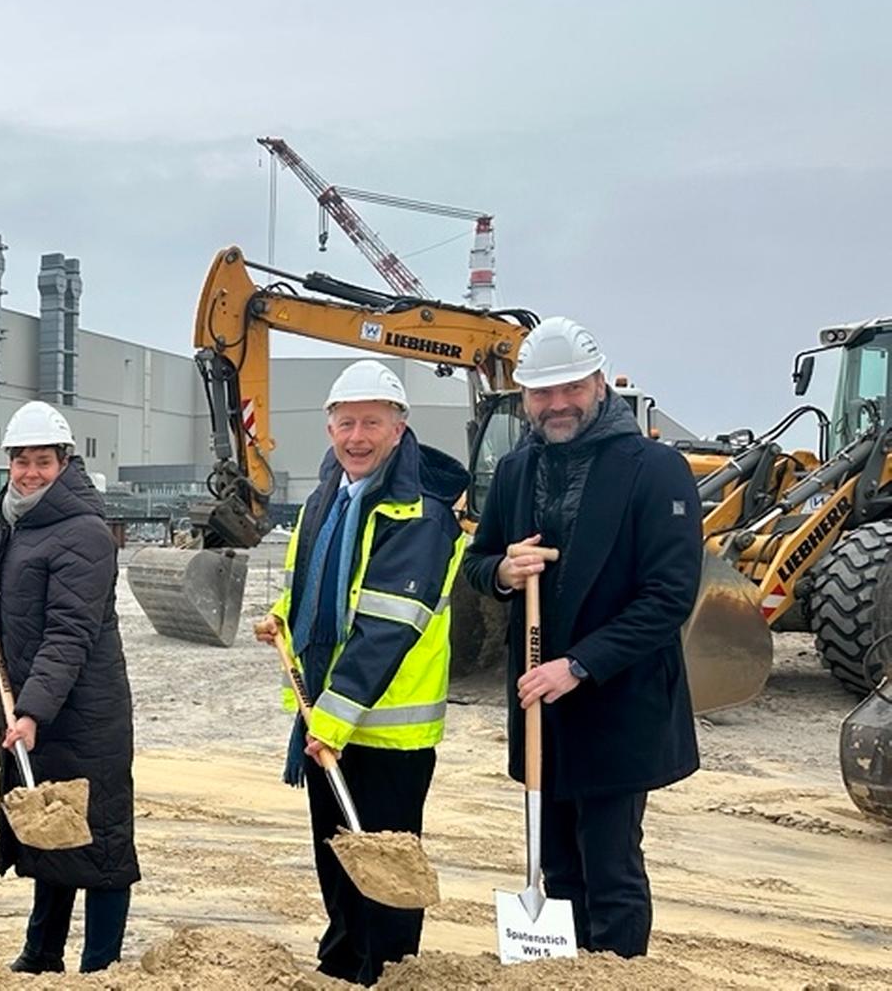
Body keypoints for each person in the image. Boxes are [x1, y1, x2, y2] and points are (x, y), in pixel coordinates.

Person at [460, 316, 702, 958]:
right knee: (556, 865)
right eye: (542, 393)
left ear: (599, 384)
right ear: (523, 397)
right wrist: (505, 572)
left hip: (617, 703)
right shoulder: (515, 471)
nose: (557, 404)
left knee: (611, 872)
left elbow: (668, 597)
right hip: (543, 708)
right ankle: (560, 972)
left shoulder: (656, 470)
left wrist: (579, 665)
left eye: (570, 388)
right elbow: (477, 562)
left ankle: (617, 973)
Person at [251, 360, 468, 986]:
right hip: (327, 719)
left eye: (372, 422)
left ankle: (391, 974)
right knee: (339, 860)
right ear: (329, 429)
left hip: (387, 730)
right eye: (346, 423)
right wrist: (279, 619)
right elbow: (312, 592)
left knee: (387, 871)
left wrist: (334, 718)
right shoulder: (327, 500)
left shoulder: (420, 514)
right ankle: (344, 964)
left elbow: (387, 629)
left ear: (400, 430)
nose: (357, 436)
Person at [0, 400, 137, 973]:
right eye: (22, 461)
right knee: (50, 826)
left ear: (65, 462)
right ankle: (41, 953)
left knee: (102, 840)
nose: (31, 472)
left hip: (85, 711)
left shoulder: (83, 532)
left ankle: (101, 965)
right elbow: (40, 608)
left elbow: (69, 632)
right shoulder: (23, 521)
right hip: (42, 706)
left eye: (43, 461)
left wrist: (32, 711)